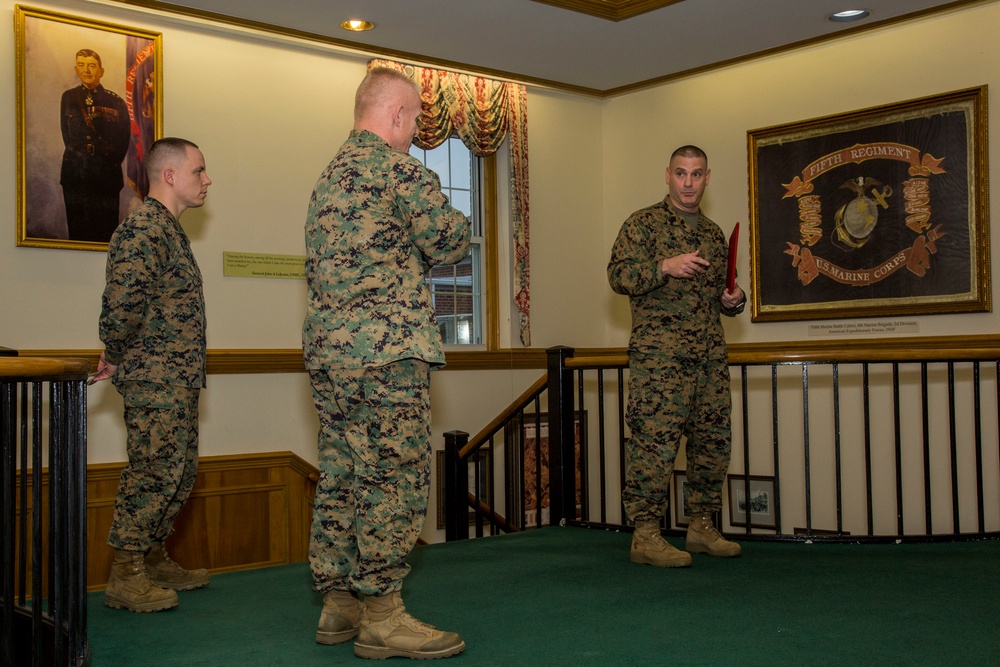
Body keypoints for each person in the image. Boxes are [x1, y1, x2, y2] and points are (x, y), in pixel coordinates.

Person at [303, 67, 470, 660]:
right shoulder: (398, 170)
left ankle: (338, 603)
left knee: (344, 470)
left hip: (330, 357)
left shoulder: (328, 179)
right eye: (418, 115)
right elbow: (451, 239)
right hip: (387, 352)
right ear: (396, 113)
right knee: (394, 477)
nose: (418, 126)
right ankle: (382, 614)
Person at [607, 145, 746, 568]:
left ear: (708, 177)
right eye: (681, 173)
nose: (689, 182)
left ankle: (701, 526)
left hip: (709, 358)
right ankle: (645, 535)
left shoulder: (715, 233)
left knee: (712, 444)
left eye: (697, 174)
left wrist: (735, 299)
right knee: (654, 447)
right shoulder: (643, 224)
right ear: (667, 175)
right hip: (660, 361)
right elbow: (617, 275)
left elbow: (724, 292)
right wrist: (664, 265)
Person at [91, 137, 213, 612]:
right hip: (154, 377)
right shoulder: (144, 229)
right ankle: (126, 573)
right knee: (154, 471)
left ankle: (154, 557)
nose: (207, 180)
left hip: (176, 377)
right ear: (169, 175)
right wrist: (115, 352)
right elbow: (121, 305)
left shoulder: (168, 230)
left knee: (179, 472)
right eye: (199, 171)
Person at [60, 48, 132, 243]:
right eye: (82, 65)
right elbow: (67, 136)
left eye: (92, 65)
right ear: (76, 69)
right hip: (75, 173)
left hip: (105, 175)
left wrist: (105, 162)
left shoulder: (115, 101)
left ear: (101, 71)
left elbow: (123, 138)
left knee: (105, 234)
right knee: (77, 232)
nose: (87, 70)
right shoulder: (68, 98)